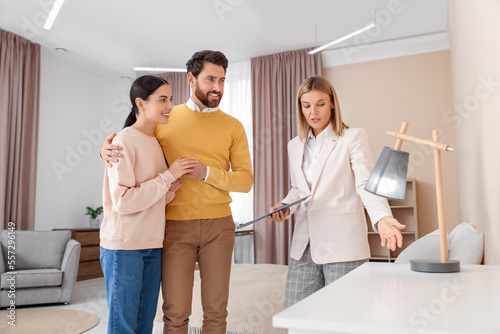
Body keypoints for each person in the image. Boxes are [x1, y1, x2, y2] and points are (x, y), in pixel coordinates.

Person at [100, 51, 253, 334]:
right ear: (191, 79)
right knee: (175, 311)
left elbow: (245, 181)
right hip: (172, 226)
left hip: (219, 225)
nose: (217, 87)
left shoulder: (234, 126)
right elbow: (134, 141)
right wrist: (105, 150)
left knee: (217, 311)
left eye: (222, 80)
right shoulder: (166, 118)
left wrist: (206, 172)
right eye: (210, 79)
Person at [269, 75, 406, 308]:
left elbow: (366, 184)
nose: (314, 111)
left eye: (320, 104)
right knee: (296, 317)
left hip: (343, 245)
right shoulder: (295, 145)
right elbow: (299, 190)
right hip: (304, 246)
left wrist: (382, 218)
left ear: (332, 103)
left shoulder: (352, 137)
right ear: (300, 108)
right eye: (307, 105)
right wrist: (285, 206)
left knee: (345, 317)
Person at [99, 75, 197, 334]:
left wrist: (168, 191)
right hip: (124, 247)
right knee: (124, 327)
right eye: (162, 99)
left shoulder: (153, 140)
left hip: (152, 244)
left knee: (144, 325)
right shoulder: (123, 141)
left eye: (171, 100)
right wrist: (166, 177)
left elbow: (147, 198)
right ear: (140, 104)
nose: (170, 106)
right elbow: (123, 202)